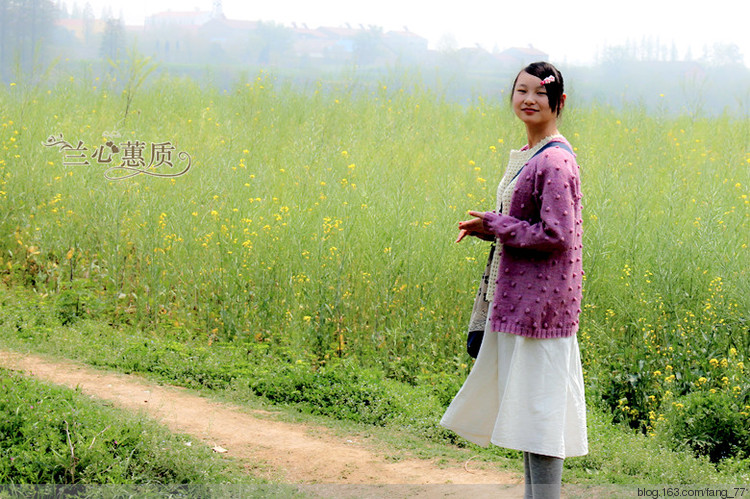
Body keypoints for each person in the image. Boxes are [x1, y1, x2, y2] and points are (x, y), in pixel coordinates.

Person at [440, 61, 588, 499]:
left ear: (559, 103)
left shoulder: (556, 160)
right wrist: (496, 227)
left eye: (540, 94)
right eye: (521, 90)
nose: (528, 99)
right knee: (529, 414)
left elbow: (556, 234)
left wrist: (497, 226)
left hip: (542, 309)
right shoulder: (531, 156)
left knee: (540, 418)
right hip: (523, 302)